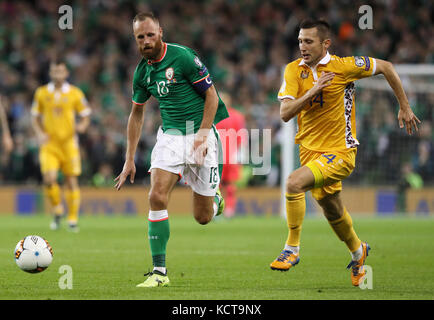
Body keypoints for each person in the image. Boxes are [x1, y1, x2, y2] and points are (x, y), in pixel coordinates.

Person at [272, 19, 420, 286]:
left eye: (308, 41)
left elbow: (386, 66)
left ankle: (292, 249)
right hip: (310, 153)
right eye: (300, 41)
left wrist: (404, 106)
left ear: (325, 43)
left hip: (341, 153)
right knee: (331, 209)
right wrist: (314, 90)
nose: (302, 47)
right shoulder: (294, 71)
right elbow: (285, 113)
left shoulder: (344, 67)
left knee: (293, 182)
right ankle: (358, 250)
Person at [114, 12, 228, 288]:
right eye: (140, 37)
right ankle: (159, 272)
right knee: (156, 196)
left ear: (160, 32)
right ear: (135, 40)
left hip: (200, 133)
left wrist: (202, 133)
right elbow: (136, 115)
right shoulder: (142, 72)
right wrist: (129, 159)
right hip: (170, 138)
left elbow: (211, 96)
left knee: (202, 218)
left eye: (150, 34)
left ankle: (215, 200)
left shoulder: (183, 57)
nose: (145, 40)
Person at [31, 60, 91, 232]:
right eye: (54, 71)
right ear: (50, 73)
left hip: (69, 144)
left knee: (71, 181)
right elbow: (35, 117)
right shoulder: (41, 93)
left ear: (66, 73)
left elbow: (85, 115)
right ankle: (58, 210)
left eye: (60, 71)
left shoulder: (75, 93)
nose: (57, 74)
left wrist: (82, 126)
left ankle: (72, 219)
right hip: (49, 144)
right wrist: (40, 133)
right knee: (49, 179)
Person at [215, 92, 246, 217]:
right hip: (222, 155)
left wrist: (240, 152)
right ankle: (223, 209)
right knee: (221, 184)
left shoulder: (216, 115)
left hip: (226, 155)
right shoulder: (236, 116)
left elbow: (241, 135)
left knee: (224, 184)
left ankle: (227, 209)